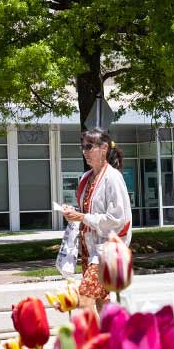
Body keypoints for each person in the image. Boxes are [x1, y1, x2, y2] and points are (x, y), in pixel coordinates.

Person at [61, 128, 132, 308]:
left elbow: (117, 218)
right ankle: (112, 334)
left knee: (84, 298)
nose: (85, 151)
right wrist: (74, 213)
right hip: (88, 247)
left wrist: (82, 217)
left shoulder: (113, 178)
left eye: (89, 146)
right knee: (101, 300)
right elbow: (87, 211)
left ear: (104, 148)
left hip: (106, 250)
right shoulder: (86, 177)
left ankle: (89, 335)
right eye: (82, 147)